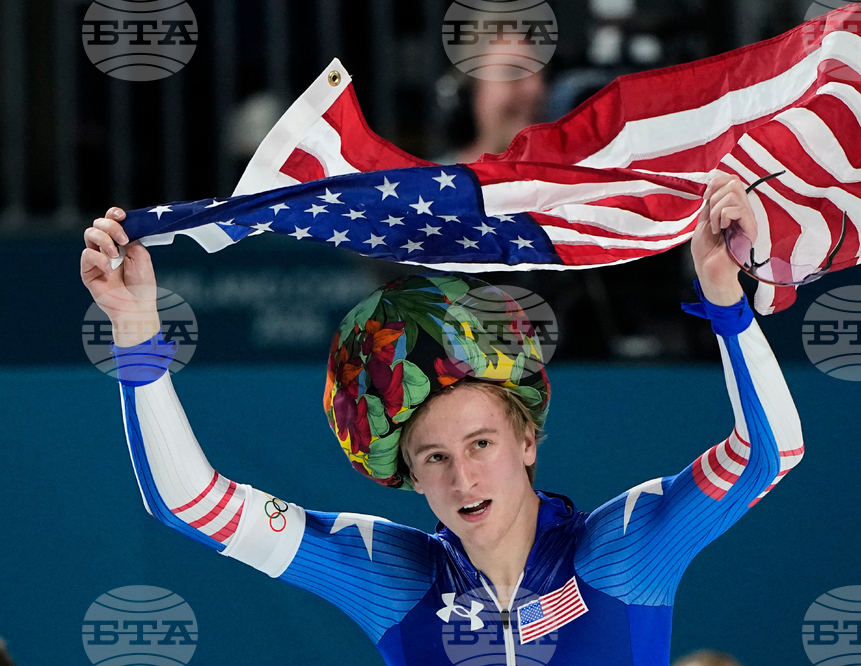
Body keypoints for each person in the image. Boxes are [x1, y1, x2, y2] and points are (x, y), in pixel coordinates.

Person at [80, 172, 804, 665]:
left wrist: (723, 298)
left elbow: (771, 455)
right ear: (405, 475)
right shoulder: (391, 576)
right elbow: (188, 503)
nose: (463, 476)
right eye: (433, 457)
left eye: (481, 442)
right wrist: (138, 332)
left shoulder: (621, 554)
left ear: (527, 438)